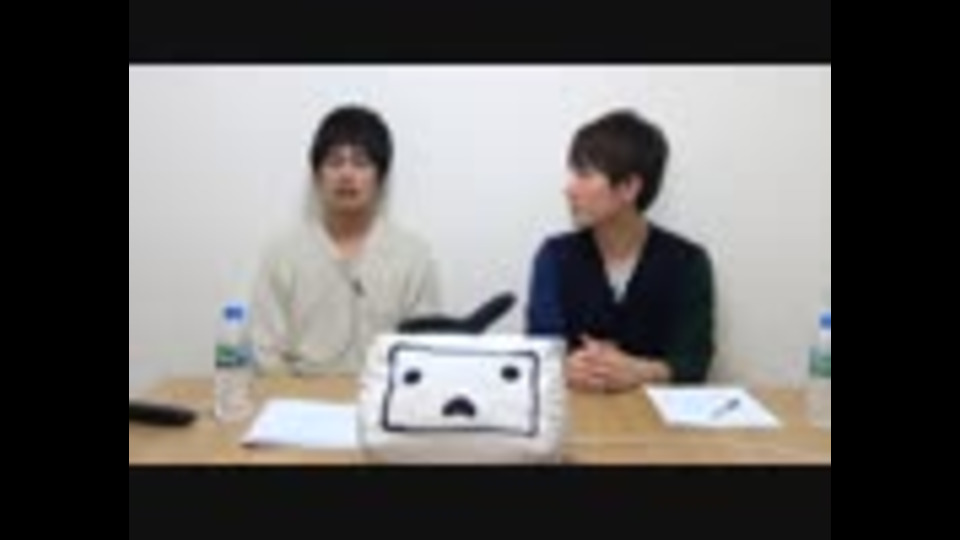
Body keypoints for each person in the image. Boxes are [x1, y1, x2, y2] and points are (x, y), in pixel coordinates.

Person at [526, 109, 715, 393]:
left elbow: (694, 361)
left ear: (628, 187)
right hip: (576, 410)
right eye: (572, 174)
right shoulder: (554, 256)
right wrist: (566, 367)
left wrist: (641, 371)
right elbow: (540, 347)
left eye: (585, 175)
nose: (569, 189)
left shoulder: (688, 262)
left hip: (653, 415)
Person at [250, 105, 441, 375]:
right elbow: (265, 351)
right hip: (298, 396)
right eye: (335, 162)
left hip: (383, 395)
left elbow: (423, 351)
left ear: (381, 177)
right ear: (317, 175)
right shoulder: (282, 254)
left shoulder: (414, 256)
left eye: (360, 163)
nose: (346, 175)